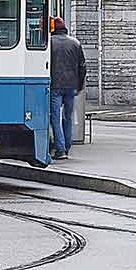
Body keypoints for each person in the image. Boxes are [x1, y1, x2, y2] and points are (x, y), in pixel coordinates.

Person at [46, 16, 85, 161]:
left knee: (55, 118)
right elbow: (82, 66)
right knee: (67, 117)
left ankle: (60, 149)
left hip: (55, 85)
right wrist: (79, 85)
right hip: (71, 86)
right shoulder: (75, 43)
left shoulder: (49, 44)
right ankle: (67, 146)